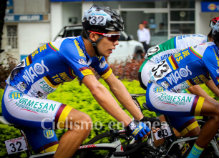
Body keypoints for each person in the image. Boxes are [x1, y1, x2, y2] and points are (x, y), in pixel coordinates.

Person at [1, 5, 150, 158]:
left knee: (57, 153)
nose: (117, 42)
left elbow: (115, 84)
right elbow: (96, 89)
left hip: (33, 103)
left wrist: (141, 118)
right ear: (93, 36)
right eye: (113, 37)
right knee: (82, 122)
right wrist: (128, 123)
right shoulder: (70, 47)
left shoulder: (94, 55)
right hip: (16, 100)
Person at [139, 16, 219, 158]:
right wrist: (212, 105)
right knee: (213, 111)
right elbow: (193, 86)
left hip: (164, 83)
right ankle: (158, 138)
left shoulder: (209, 47)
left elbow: (210, 80)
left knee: (195, 134)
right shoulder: (207, 49)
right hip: (150, 69)